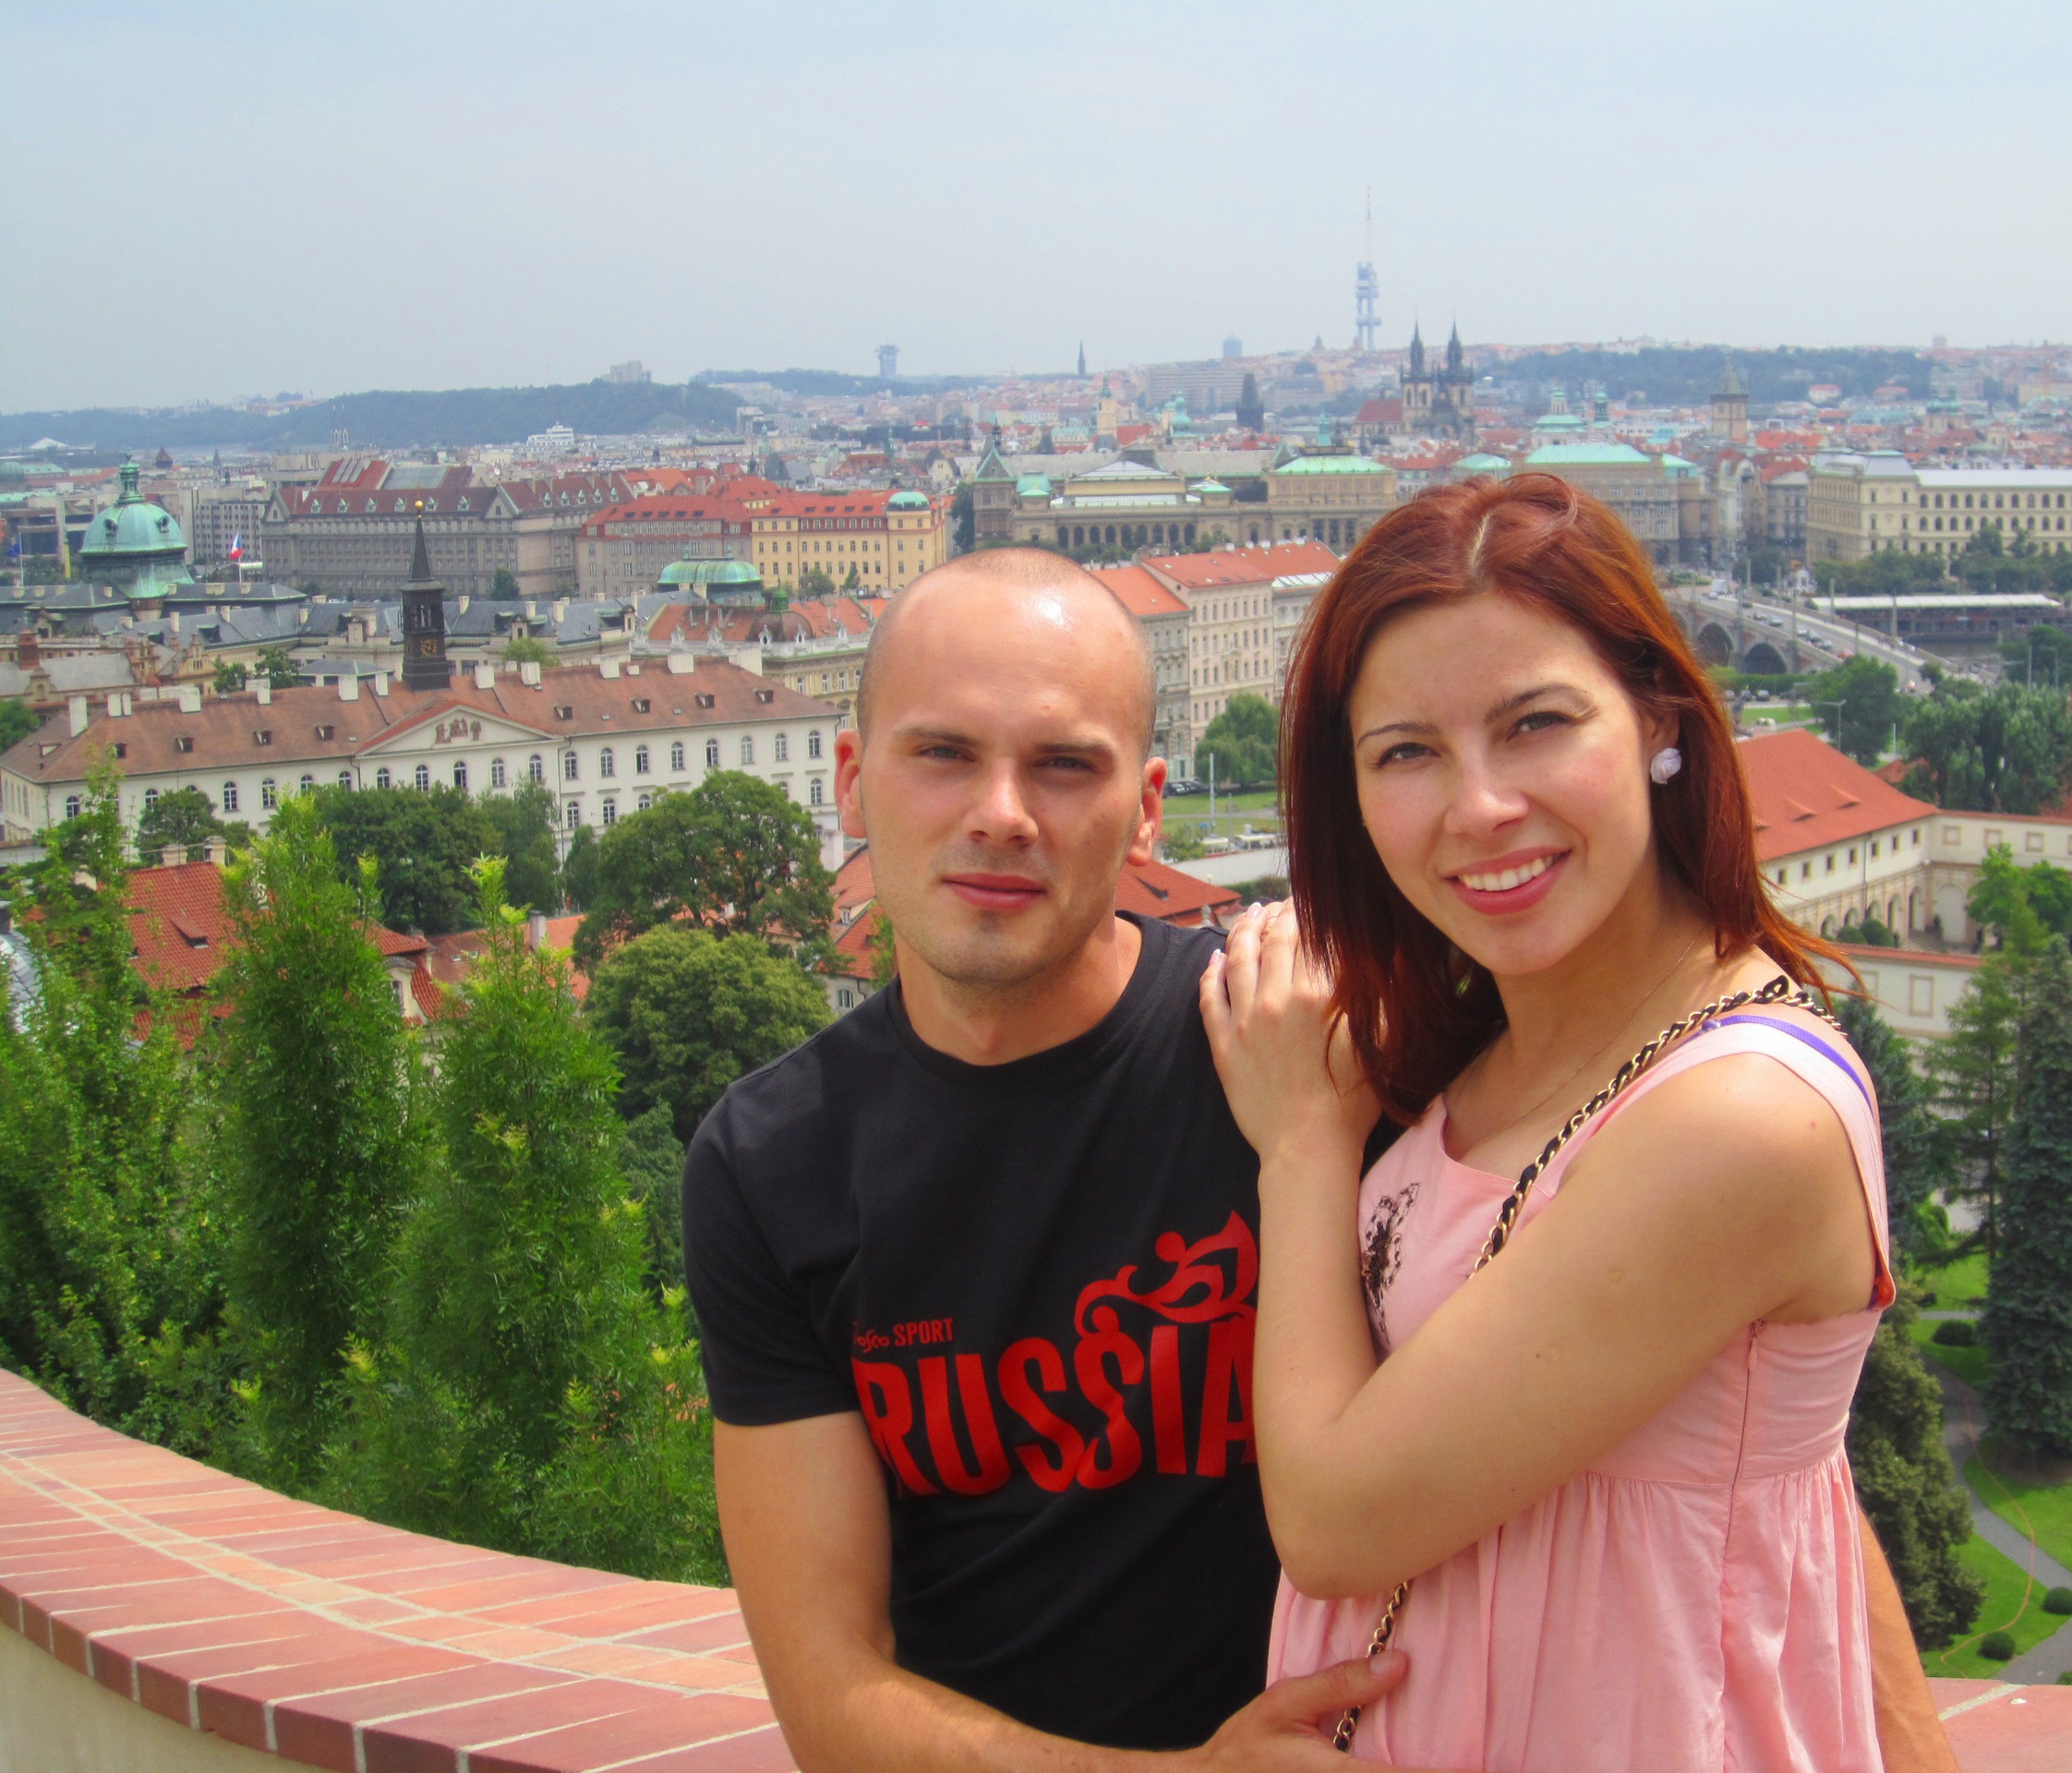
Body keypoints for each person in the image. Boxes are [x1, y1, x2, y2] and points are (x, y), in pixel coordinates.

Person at [685, 546, 1955, 1773]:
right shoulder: (772, 1163)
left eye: (1066, 765)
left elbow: (1728, 1423)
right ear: (851, 779)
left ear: (1148, 804)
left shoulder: (1314, 1050)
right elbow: (830, 1696)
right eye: (943, 755)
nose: (1001, 815)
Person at [1199, 474, 1951, 1771]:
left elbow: (1333, 1524)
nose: (1479, 807)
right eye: (1407, 753)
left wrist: (1305, 1143)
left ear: (1659, 717)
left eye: (1535, 724)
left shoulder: (1740, 1115)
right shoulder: (1493, 1046)